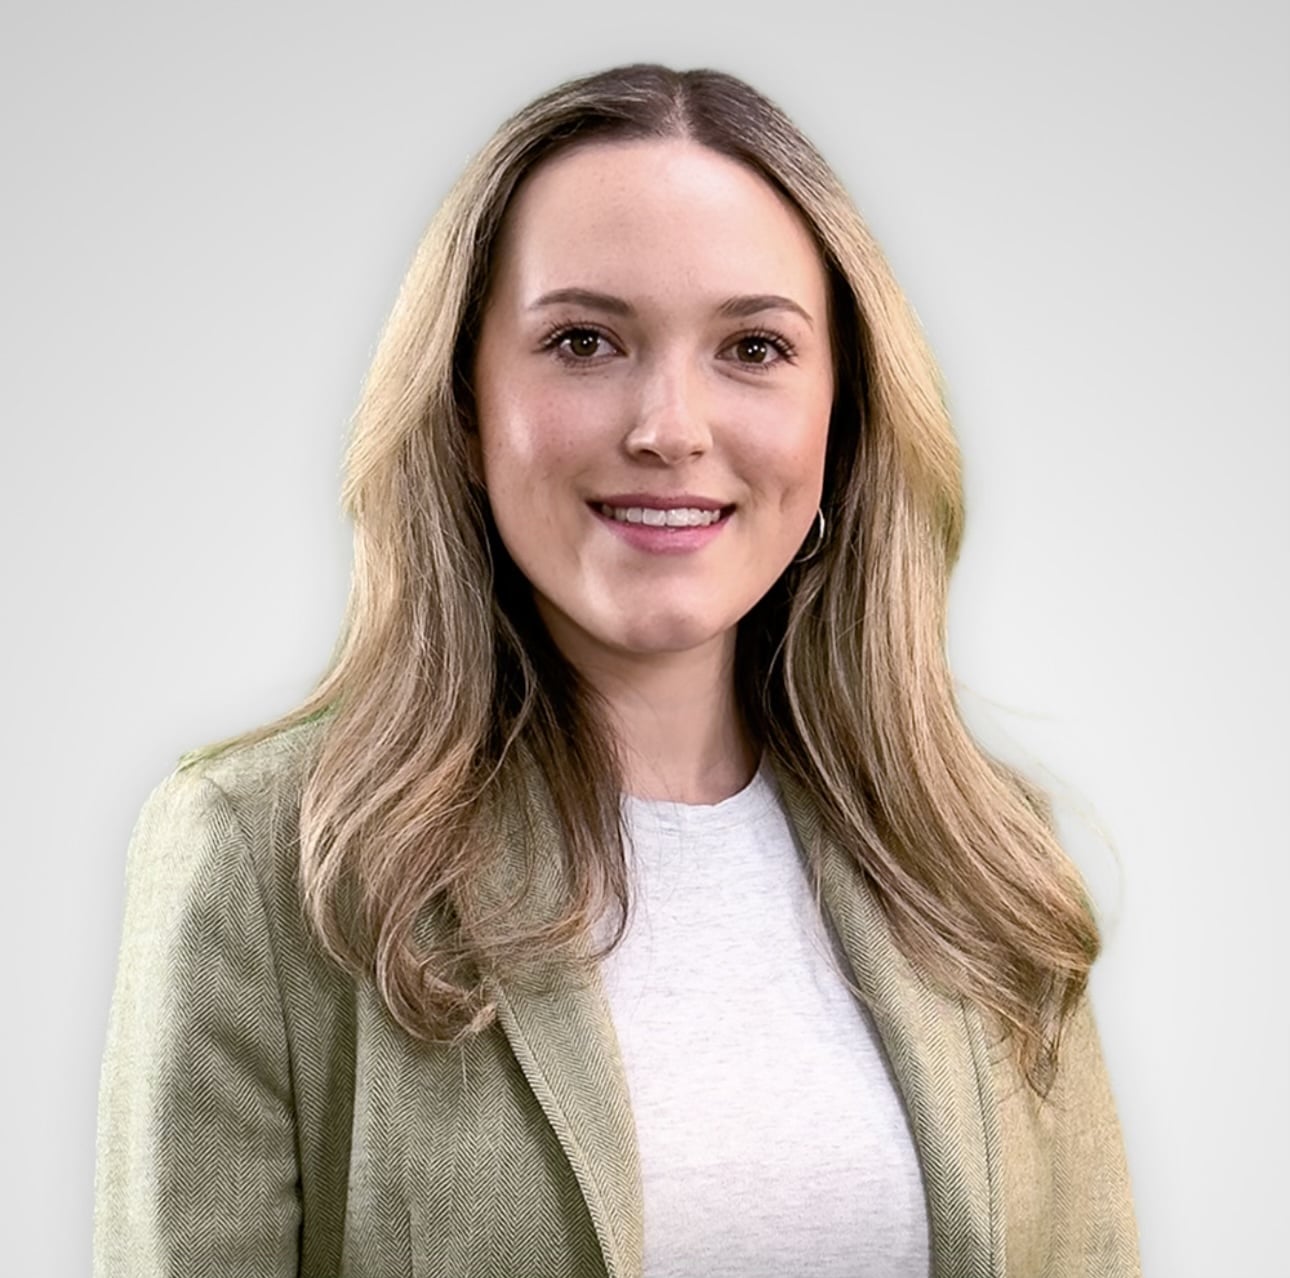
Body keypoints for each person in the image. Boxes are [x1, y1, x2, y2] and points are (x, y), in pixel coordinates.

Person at [93, 62, 1141, 1277]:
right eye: (583, 340)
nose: (670, 427)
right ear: (464, 404)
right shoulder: (264, 855)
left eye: (753, 347)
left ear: (839, 422)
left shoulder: (981, 862)